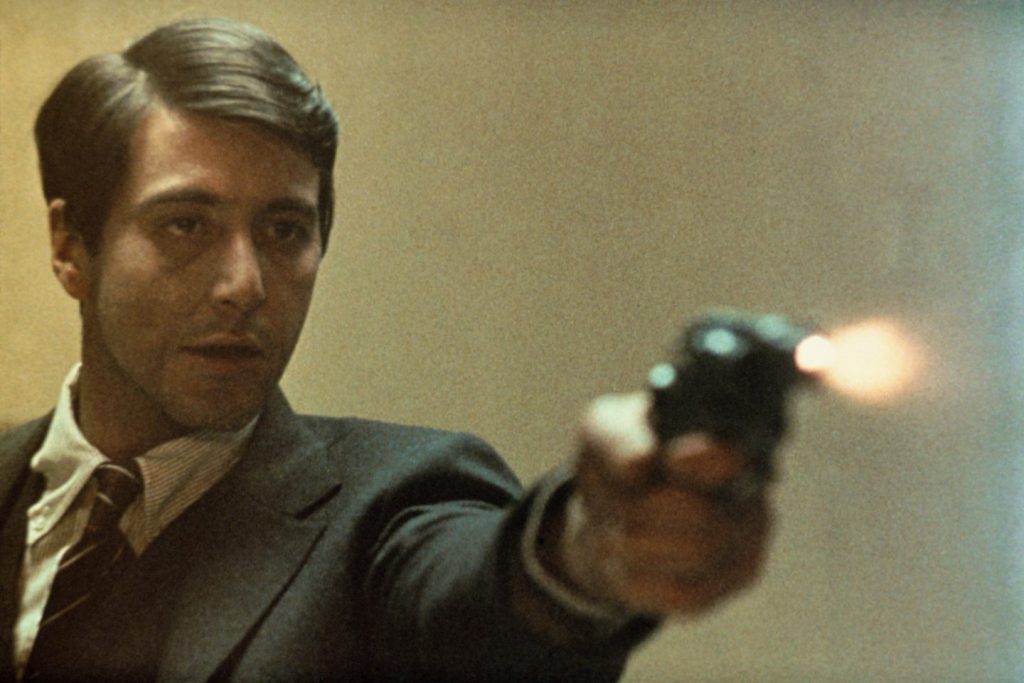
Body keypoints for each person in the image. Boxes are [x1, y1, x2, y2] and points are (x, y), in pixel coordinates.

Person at [0, 17, 771, 682]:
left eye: (284, 230)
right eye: (185, 225)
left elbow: (470, 600)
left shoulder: (394, 504)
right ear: (70, 247)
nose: (245, 284)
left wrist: (582, 553)